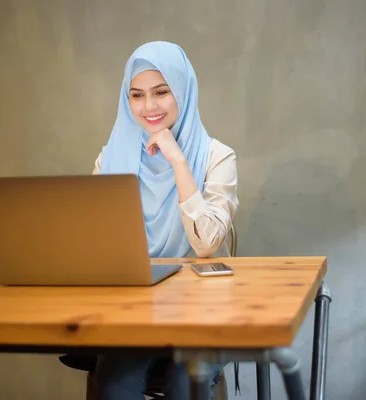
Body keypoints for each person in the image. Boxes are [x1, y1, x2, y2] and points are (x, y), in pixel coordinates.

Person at [91, 41, 239, 399]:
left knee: (184, 382)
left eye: (161, 92)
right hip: (133, 307)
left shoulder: (217, 157)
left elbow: (207, 244)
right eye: (137, 95)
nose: (149, 106)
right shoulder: (110, 158)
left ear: (183, 91)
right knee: (112, 383)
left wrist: (179, 162)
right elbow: (95, 242)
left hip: (201, 307)